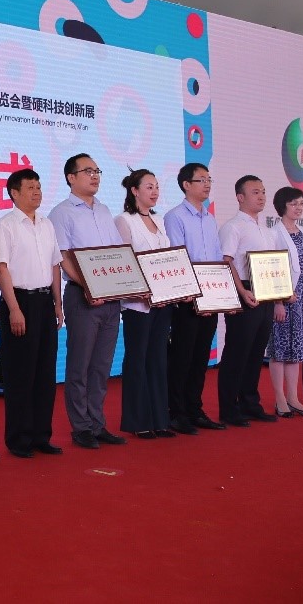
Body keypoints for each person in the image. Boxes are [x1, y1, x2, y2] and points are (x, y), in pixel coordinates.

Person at [48, 153, 128, 449]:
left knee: (101, 366)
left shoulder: (104, 210)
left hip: (111, 297)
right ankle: (81, 427)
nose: (94, 176)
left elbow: (116, 252)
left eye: (97, 171)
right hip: (82, 295)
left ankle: (97, 423)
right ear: (71, 177)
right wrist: (89, 286)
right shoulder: (61, 213)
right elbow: (63, 258)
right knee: (80, 365)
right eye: (87, 171)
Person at [0, 168, 64, 457]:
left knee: (45, 373)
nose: (37, 192)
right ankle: (19, 439)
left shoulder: (46, 224)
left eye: (39, 187)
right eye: (30, 187)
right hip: (20, 301)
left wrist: (58, 304)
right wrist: (13, 309)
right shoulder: (6, 225)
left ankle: (41, 436)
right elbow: (1, 268)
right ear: (14, 193)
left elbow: (55, 265)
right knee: (20, 373)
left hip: (45, 301)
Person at [163, 164, 227, 433]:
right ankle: (176, 412)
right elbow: (178, 257)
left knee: (201, 356)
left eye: (209, 179)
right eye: (201, 180)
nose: (207, 184)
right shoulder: (174, 217)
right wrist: (192, 292)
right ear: (186, 185)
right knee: (182, 356)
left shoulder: (209, 219)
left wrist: (220, 294)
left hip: (211, 296)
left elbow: (216, 258)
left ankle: (194, 409)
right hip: (187, 298)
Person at [114, 169, 175, 439]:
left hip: (163, 300)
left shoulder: (159, 220)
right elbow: (125, 262)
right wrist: (140, 292)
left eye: (157, 186)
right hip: (138, 303)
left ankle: (160, 419)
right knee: (137, 359)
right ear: (134, 190)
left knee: (158, 359)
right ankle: (138, 421)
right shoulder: (124, 220)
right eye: (149, 187)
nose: (155, 191)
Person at [217, 175, 279, 427]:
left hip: (266, 292)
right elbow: (226, 261)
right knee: (237, 352)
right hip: (244, 290)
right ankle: (229, 408)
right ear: (240, 197)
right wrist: (242, 292)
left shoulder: (266, 230)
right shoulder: (233, 226)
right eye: (255, 192)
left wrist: (280, 293)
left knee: (256, 352)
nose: (261, 196)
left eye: (263, 191)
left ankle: (250, 403)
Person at [267, 188, 303, 417]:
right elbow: (272, 268)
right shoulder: (273, 233)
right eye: (293, 204)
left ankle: (293, 397)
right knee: (280, 349)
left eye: (301, 204)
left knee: (297, 349)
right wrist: (278, 301)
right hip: (285, 298)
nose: (298, 208)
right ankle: (280, 399)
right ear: (282, 206)